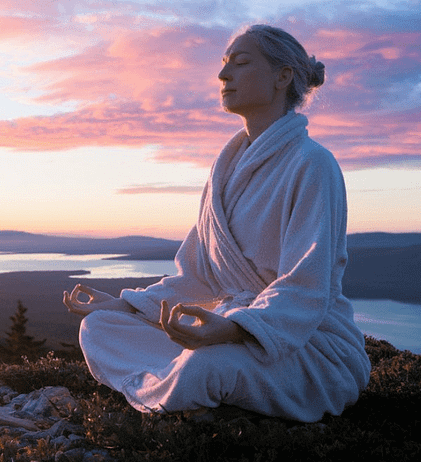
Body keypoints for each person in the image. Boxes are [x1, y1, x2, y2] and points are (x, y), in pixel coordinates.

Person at [63, 24, 370, 422]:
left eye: (240, 63)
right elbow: (198, 277)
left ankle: (180, 388)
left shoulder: (313, 164)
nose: (223, 76)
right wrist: (127, 305)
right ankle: (186, 390)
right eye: (224, 65)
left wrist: (232, 329)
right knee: (100, 328)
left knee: (205, 366)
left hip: (303, 345)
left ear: (283, 77)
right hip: (229, 330)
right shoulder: (223, 172)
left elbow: (306, 287)